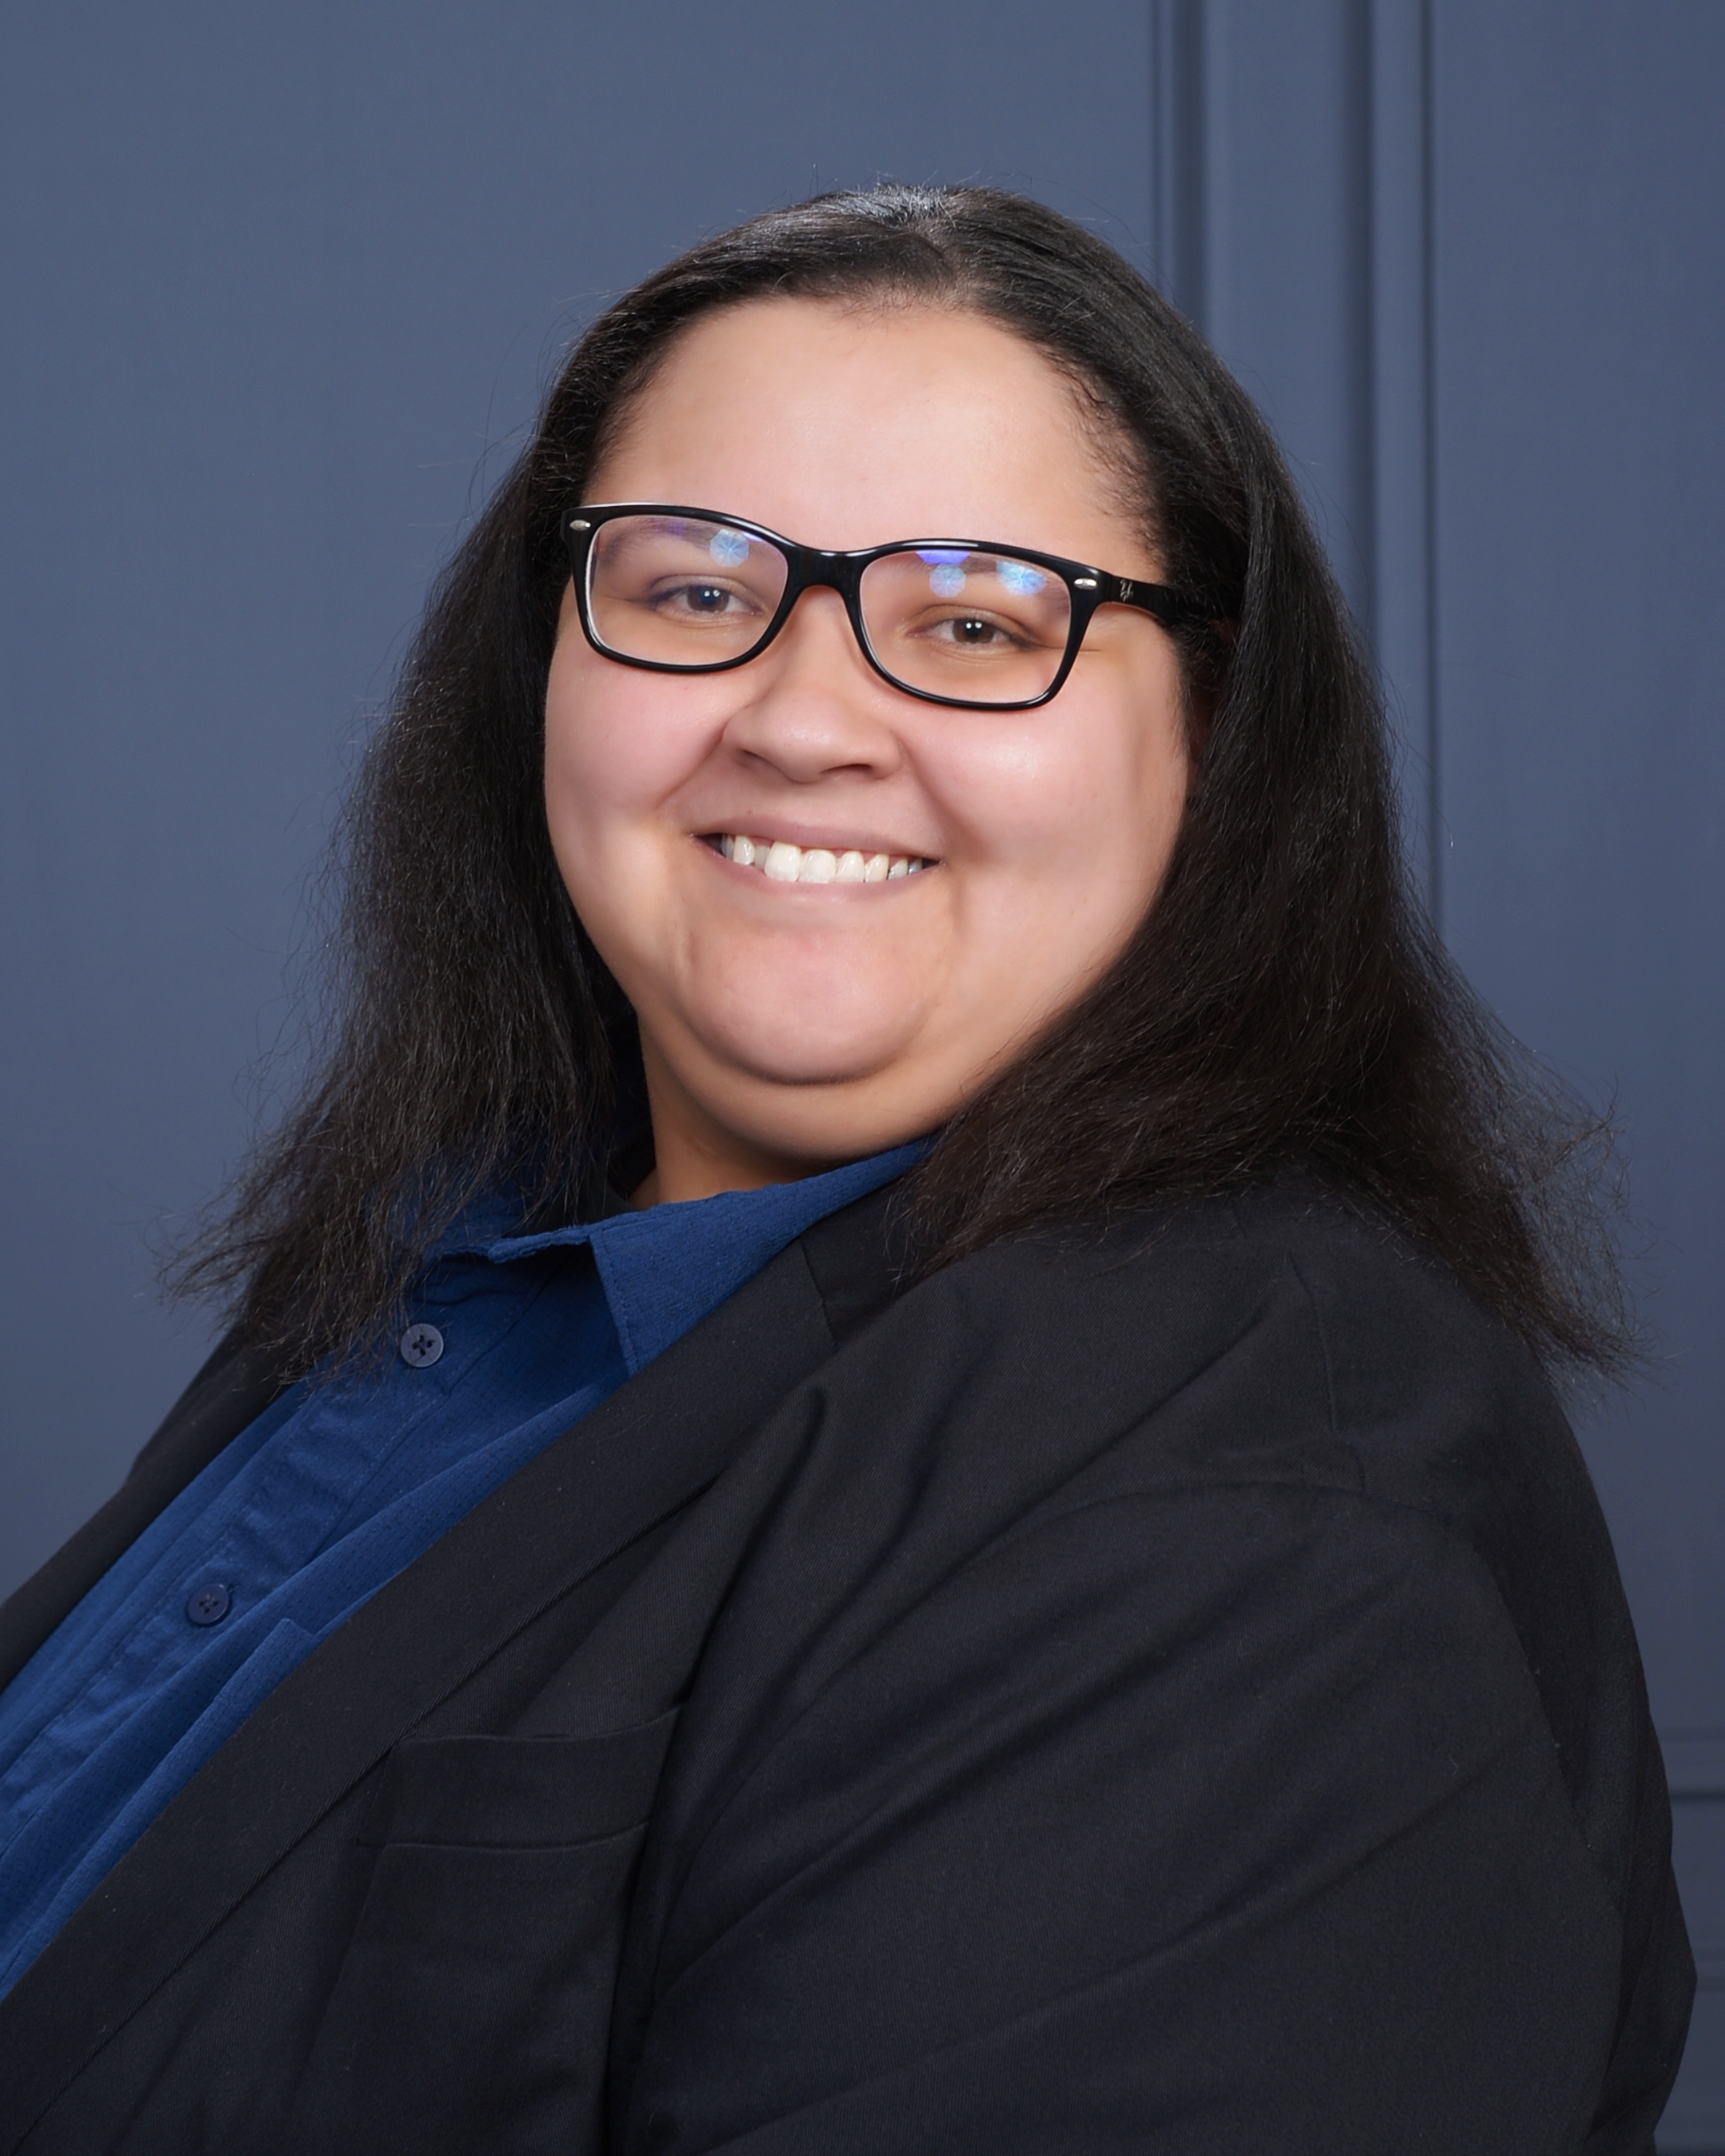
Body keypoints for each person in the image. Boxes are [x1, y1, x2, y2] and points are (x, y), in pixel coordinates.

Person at [0, 185, 1693, 2154]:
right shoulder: (461, 1261)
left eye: (976, 621)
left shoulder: (1251, 1518)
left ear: (1215, 735)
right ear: (547, 657)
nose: (804, 719)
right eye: (697, 591)